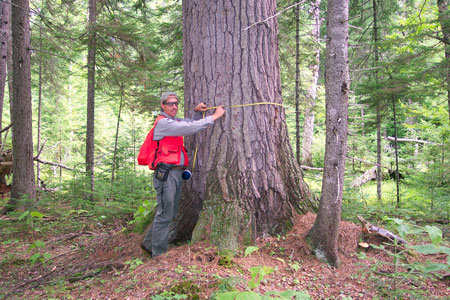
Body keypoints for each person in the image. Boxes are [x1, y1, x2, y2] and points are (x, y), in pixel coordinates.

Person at [140, 91, 225, 257]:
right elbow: (189, 128)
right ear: (162, 106)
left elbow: (189, 122)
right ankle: (158, 254)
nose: (174, 106)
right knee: (165, 212)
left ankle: (149, 244)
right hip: (166, 174)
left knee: (170, 212)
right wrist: (214, 117)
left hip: (176, 173)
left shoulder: (174, 121)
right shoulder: (163, 123)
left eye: (176, 103)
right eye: (170, 103)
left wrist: (196, 112)